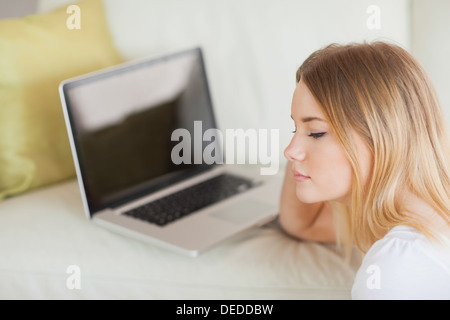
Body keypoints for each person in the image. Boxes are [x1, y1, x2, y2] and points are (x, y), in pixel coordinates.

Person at [280, 41, 450, 299]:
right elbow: (304, 223)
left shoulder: (396, 269)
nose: (289, 151)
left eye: (316, 132)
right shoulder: (427, 207)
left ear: (382, 137)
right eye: (295, 129)